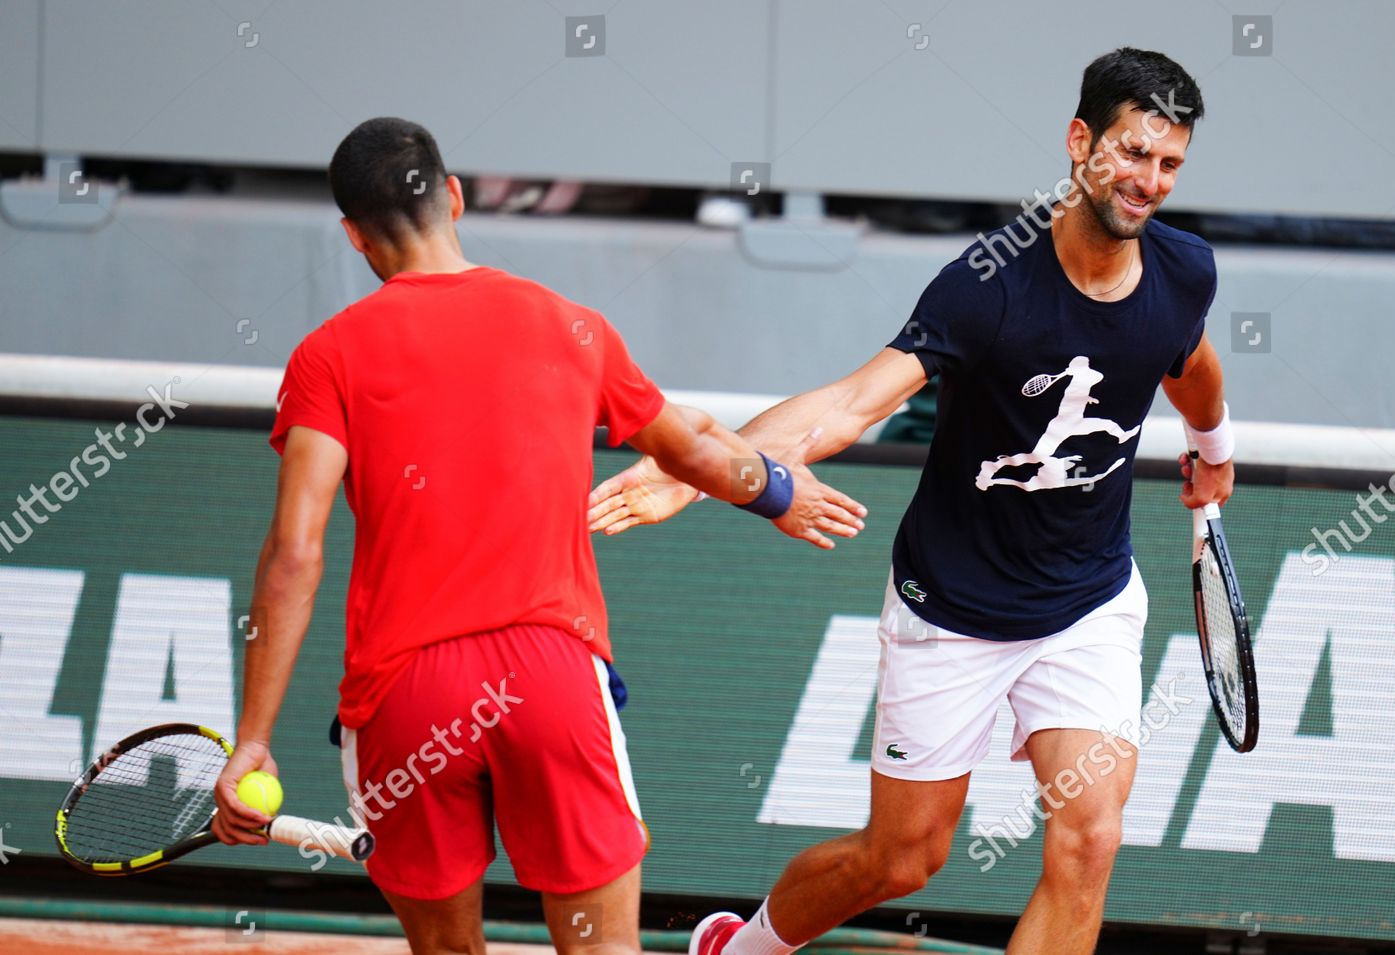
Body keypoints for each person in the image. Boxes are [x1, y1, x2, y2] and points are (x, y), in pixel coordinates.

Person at [587, 49, 1232, 955]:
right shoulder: (988, 285)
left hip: (1087, 602)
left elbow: (1190, 363)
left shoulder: (1183, 271)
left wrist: (1214, 448)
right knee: (901, 858)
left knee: (1091, 837)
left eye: (1169, 165)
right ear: (1080, 142)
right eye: (1132, 154)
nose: (1148, 182)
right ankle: (741, 946)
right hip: (953, 609)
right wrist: (701, 467)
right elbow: (848, 404)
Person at [209, 117, 867, 955]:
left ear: (353, 235)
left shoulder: (326, 357)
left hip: (407, 697)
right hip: (550, 677)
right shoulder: (569, 323)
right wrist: (778, 491)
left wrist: (254, 736)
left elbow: (294, 554)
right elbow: (694, 447)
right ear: (453, 196)